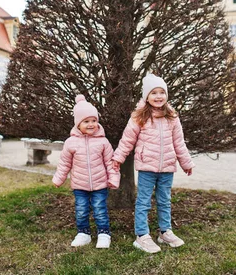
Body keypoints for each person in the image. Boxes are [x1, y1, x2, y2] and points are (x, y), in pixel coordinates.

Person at [112, 73, 195, 254]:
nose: (158, 96)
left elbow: (179, 142)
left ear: (166, 95)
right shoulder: (139, 117)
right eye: (154, 93)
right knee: (143, 202)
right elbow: (127, 140)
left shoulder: (172, 116)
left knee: (164, 201)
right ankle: (141, 235)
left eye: (162, 92)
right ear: (146, 96)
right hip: (147, 168)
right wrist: (118, 158)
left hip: (167, 168)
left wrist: (186, 163)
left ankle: (164, 232)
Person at [52, 94, 120, 248]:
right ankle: (84, 233)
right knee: (81, 210)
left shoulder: (103, 141)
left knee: (100, 209)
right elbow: (64, 163)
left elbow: (111, 163)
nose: (91, 124)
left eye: (94, 121)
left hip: (100, 184)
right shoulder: (71, 143)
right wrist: (58, 179)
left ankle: (104, 233)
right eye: (86, 121)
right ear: (78, 124)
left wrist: (114, 178)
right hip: (79, 185)